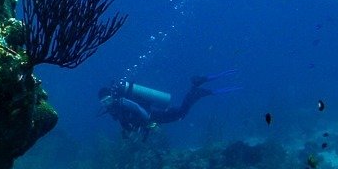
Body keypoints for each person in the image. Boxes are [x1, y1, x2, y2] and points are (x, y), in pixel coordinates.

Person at [99, 71, 237, 133]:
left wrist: (148, 122)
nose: (107, 103)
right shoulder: (114, 109)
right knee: (180, 115)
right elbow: (128, 121)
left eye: (108, 99)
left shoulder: (122, 102)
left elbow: (137, 108)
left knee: (181, 114)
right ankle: (196, 89)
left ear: (112, 96)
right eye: (104, 102)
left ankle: (196, 88)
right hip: (152, 117)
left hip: (154, 115)